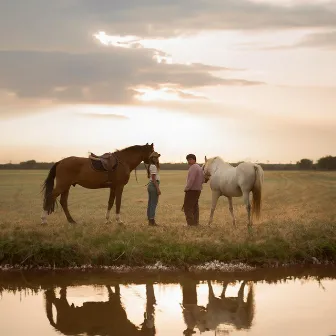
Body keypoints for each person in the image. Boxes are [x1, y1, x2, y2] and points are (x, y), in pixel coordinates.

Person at [183, 154, 204, 226]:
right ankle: (195, 223)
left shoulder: (193, 167)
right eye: (188, 160)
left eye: (190, 159)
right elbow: (203, 179)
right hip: (198, 190)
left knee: (187, 207)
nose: (188, 161)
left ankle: (191, 224)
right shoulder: (199, 167)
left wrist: (187, 188)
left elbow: (191, 179)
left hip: (192, 190)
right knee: (195, 207)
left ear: (194, 160)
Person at [147, 151, 161, 226]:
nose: (156, 159)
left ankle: (150, 219)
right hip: (154, 185)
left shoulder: (152, 166)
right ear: (152, 158)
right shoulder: (153, 166)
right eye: (155, 157)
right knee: (153, 203)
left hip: (151, 185)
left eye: (157, 157)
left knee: (150, 203)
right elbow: (154, 179)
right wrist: (158, 189)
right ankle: (152, 220)